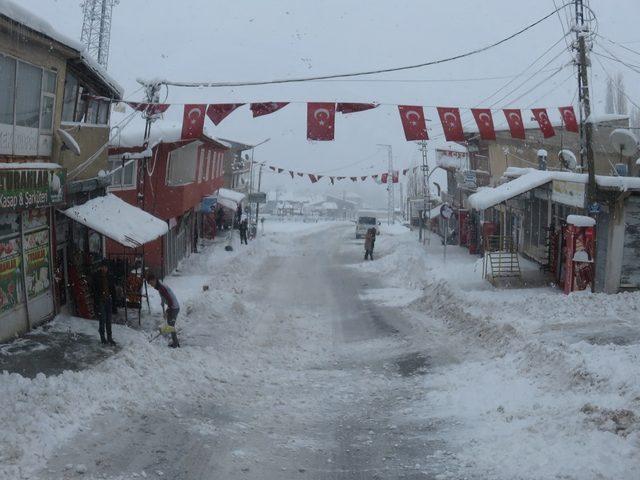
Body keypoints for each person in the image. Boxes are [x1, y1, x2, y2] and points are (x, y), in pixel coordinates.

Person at [146, 273, 180, 348]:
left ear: (154, 280)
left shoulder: (161, 288)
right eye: (150, 284)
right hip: (173, 307)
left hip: (174, 308)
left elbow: (170, 301)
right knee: (170, 324)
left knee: (171, 325)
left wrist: (167, 312)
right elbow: (165, 296)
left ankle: (175, 344)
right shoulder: (159, 286)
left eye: (151, 283)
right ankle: (175, 342)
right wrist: (162, 301)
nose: (151, 285)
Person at [93, 259, 116, 345]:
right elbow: (94, 289)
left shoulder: (110, 276)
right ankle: (103, 337)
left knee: (109, 320)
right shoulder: (96, 276)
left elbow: (113, 289)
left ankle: (109, 337)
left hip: (108, 300)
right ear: (101, 267)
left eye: (106, 267)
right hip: (101, 300)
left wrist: (114, 303)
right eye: (103, 267)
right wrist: (97, 300)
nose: (104, 269)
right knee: (102, 319)